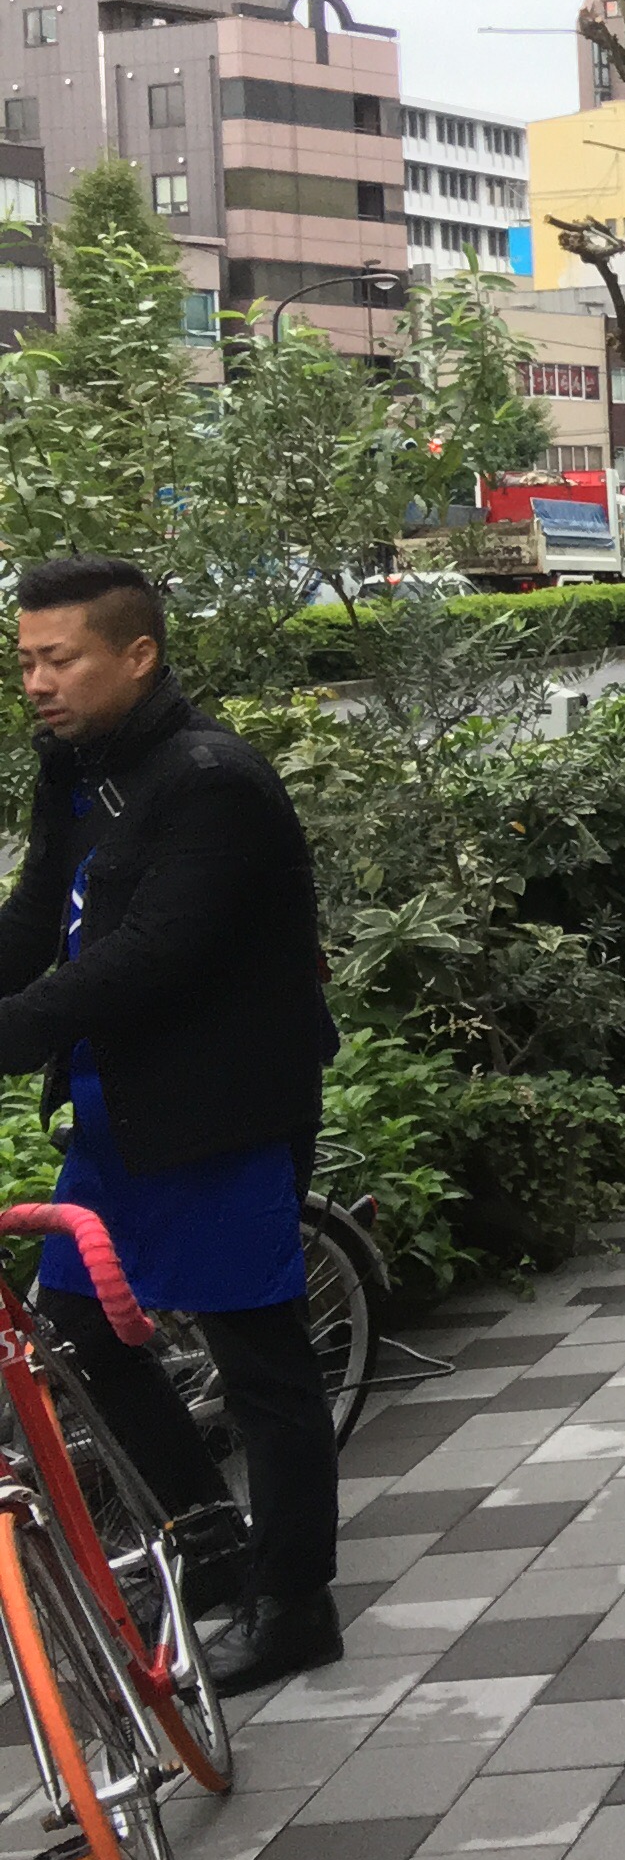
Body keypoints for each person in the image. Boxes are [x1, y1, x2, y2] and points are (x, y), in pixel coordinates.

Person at [0, 557, 343, 1695]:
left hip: (221, 1115)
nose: (36, 683)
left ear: (138, 655)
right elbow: (36, 920)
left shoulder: (212, 781)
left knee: (262, 1365)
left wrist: (10, 1032)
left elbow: (156, 954)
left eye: (60, 660)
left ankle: (295, 1604)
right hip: (116, 1117)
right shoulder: (77, 770)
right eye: (26, 661)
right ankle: (210, 1542)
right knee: (80, 1337)